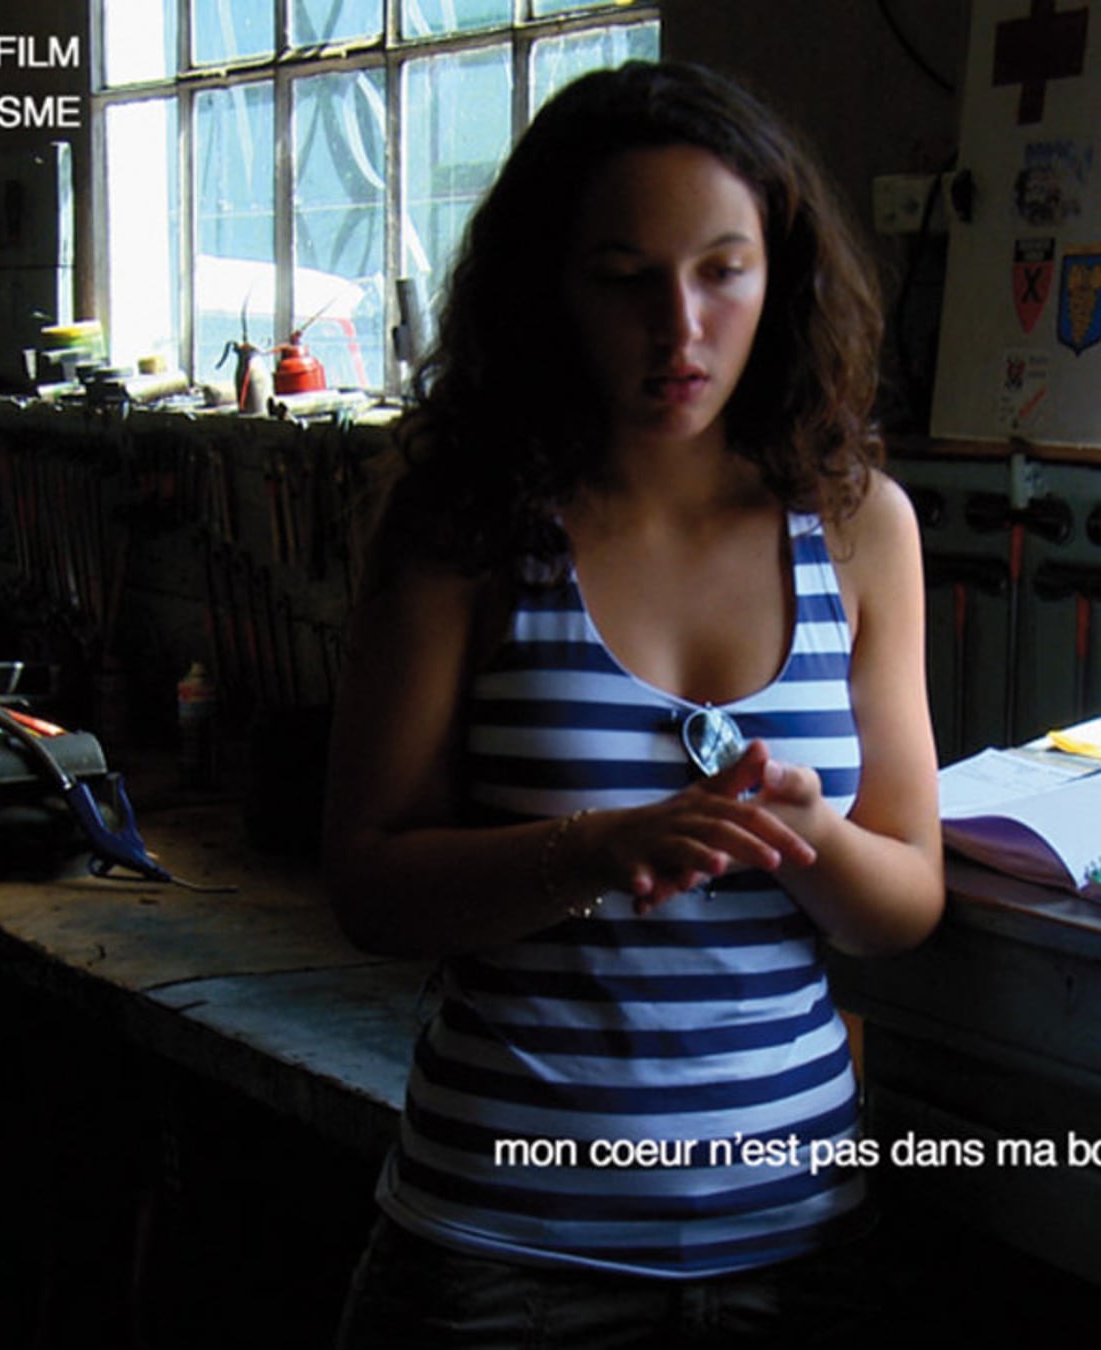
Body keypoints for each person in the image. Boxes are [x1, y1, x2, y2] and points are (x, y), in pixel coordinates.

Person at [319, 59, 945, 1348]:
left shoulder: (858, 528)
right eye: (624, 279)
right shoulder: (463, 523)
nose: (681, 329)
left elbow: (906, 902)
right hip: (502, 1258)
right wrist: (597, 851)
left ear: (782, 276)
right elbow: (369, 886)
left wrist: (809, 836)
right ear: (550, 287)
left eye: (723, 271)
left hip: (796, 1247)